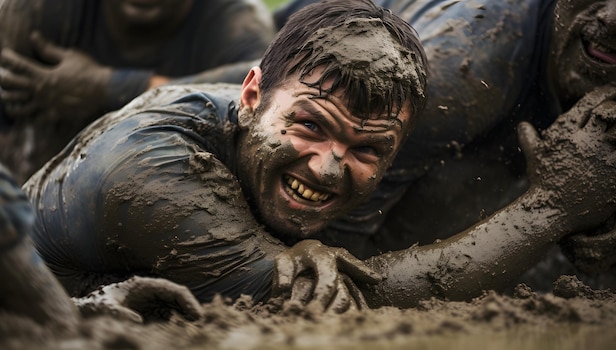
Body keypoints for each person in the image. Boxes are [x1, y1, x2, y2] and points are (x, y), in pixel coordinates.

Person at [21, 0, 429, 313]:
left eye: (366, 149)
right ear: (251, 96)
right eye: (310, 126)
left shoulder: (270, 101)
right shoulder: (153, 173)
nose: (327, 168)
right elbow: (327, 303)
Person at [275, 0, 616, 287]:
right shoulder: (462, 73)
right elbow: (322, 268)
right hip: (294, 46)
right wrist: (553, 206)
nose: (614, 19)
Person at [0, 0, 275, 184]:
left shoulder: (236, 20)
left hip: (168, 189)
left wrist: (113, 87)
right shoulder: (36, 10)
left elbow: (270, 87)